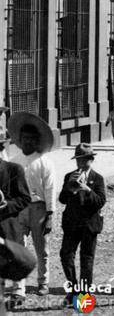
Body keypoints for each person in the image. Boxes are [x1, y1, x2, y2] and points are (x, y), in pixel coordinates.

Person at [6, 112, 56, 299]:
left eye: (31, 139)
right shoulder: (15, 162)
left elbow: (50, 189)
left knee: (42, 248)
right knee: (18, 248)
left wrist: (50, 214)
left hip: (38, 208)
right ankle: (19, 289)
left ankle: (43, 282)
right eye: (24, 138)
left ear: (37, 140)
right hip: (19, 210)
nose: (27, 141)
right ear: (19, 139)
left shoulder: (44, 162)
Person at [58, 144, 106, 304]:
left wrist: (87, 190)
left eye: (84, 160)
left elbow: (100, 201)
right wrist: (69, 188)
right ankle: (73, 289)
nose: (80, 164)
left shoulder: (98, 178)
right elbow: (62, 199)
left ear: (91, 160)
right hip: (72, 224)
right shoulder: (69, 176)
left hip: (89, 225)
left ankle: (84, 295)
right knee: (66, 255)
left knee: (86, 260)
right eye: (78, 160)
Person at [0, 125, 31, 309]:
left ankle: (19, 291)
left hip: (8, 225)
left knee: (15, 259)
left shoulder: (14, 169)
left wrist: (6, 205)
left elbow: (24, 198)